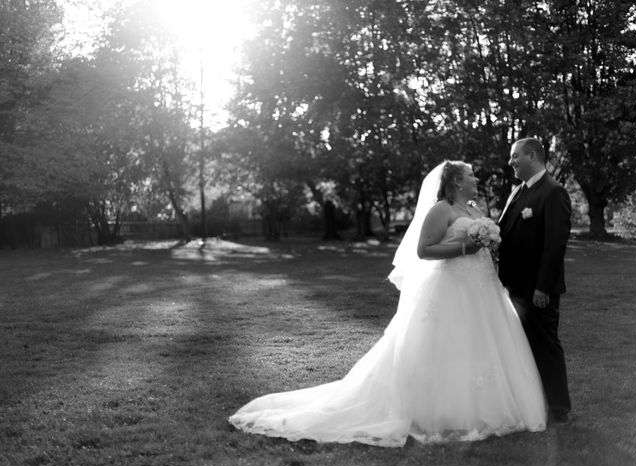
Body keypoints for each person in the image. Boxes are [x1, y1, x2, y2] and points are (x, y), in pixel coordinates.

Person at [228, 161, 546, 447]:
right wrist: (467, 247)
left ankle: (483, 407)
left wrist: (488, 243)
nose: (476, 178)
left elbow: (484, 243)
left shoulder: (474, 210)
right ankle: (438, 411)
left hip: (482, 288)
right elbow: (424, 250)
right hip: (452, 286)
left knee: (479, 344)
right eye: (470, 175)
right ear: (455, 182)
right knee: (445, 343)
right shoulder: (441, 210)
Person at [498, 138, 573, 424]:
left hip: (536, 290)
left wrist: (542, 287)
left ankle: (559, 407)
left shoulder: (554, 192)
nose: (511, 162)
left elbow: (555, 245)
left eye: (515, 156)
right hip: (512, 286)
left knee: (545, 344)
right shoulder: (518, 192)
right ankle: (529, 401)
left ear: (532, 155)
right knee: (520, 345)